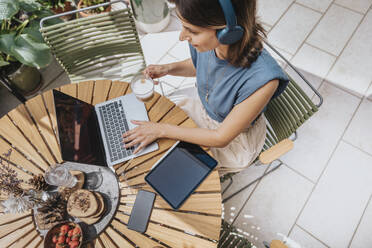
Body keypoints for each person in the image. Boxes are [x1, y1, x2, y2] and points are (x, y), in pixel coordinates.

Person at [123, 0, 289, 174]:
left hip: (232, 141)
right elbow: (201, 66)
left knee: (168, 167)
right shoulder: (211, 44)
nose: (182, 37)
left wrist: (161, 130)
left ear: (227, 32)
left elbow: (221, 138)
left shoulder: (264, 81)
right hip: (203, 112)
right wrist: (168, 69)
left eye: (192, 31)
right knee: (150, 143)